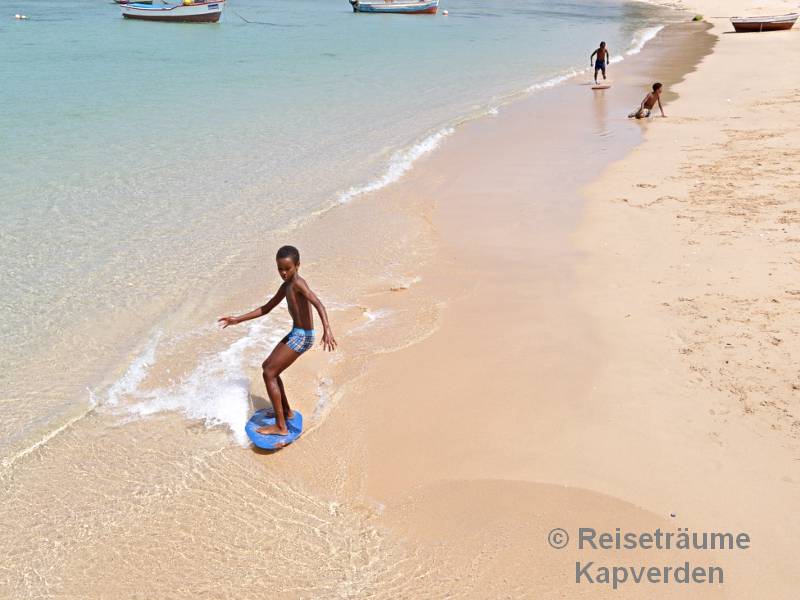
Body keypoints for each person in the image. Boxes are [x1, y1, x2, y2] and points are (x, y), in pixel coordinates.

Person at [218, 245, 336, 436]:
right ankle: (286, 412)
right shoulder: (286, 286)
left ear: (297, 265)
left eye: (287, 268)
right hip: (296, 332)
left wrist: (327, 329)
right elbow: (266, 308)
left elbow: (318, 304)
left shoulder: (298, 284)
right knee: (268, 367)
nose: (283, 273)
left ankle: (281, 427)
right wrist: (237, 319)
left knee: (269, 373)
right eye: (280, 269)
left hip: (303, 336)